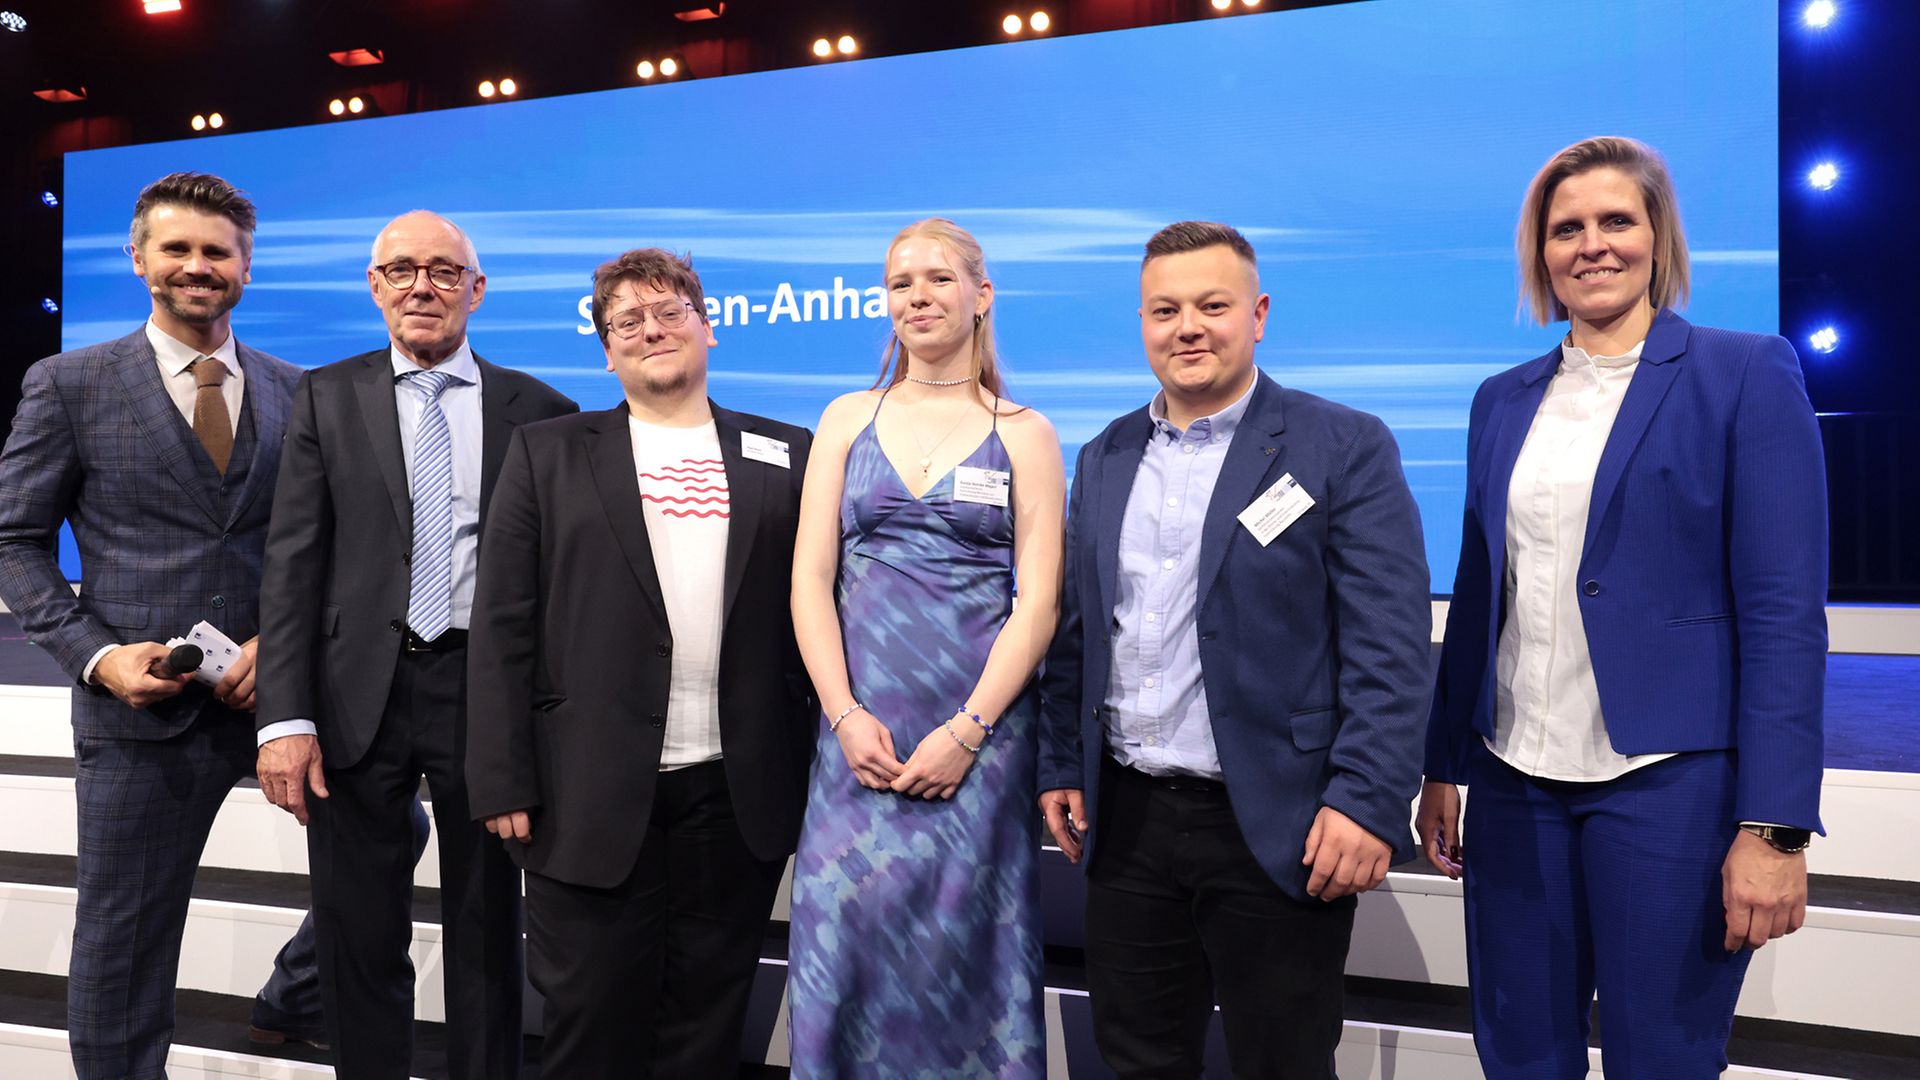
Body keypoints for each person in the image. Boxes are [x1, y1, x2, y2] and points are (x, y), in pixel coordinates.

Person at [1416, 136, 1828, 1079]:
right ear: (1540, 252)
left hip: (1669, 785)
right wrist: (1443, 764)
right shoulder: (1500, 400)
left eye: (1616, 221)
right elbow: (1484, 592)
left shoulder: (1744, 373)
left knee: (1664, 1063)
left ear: (1657, 236)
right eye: (1567, 228)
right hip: (1515, 778)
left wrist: (1775, 828)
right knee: (1520, 1055)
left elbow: (1783, 617)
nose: (1592, 245)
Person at [1038, 221, 1431, 1078]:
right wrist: (1061, 764)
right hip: (1127, 822)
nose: (1189, 327)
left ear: (1257, 314)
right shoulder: (1105, 454)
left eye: (1212, 306)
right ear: (1142, 323)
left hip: (1280, 820)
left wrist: (1366, 801)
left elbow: (1391, 646)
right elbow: (1079, 628)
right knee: (1138, 1062)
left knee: (1281, 1064)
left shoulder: (1342, 444)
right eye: (1165, 309)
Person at [465, 247, 816, 1076]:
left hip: (737, 792)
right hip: (581, 791)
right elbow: (503, 620)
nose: (651, 330)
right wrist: (502, 774)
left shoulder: (787, 452)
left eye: (670, 313)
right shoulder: (546, 452)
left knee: (706, 1022)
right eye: (628, 321)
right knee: (590, 1021)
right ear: (606, 347)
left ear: (708, 329)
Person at [253, 211, 576, 1079]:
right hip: (357, 695)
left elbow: (559, 585)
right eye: (400, 270)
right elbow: (293, 565)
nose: (420, 286)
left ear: (476, 289)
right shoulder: (325, 396)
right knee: (359, 933)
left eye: (441, 270)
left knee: (486, 931)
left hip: (490, 696)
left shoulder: (542, 412)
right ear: (374, 286)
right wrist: (282, 716)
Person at [0, 172, 305, 1078]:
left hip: (280, 697)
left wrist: (283, 644)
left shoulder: (300, 392)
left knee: (394, 831)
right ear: (139, 261)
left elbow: (326, 550)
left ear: (246, 267)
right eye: (177, 249)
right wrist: (96, 657)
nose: (197, 267)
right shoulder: (69, 383)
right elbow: (14, 541)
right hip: (140, 712)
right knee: (125, 940)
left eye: (217, 251)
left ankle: (297, 995)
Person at [785, 218, 1065, 1076]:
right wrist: (842, 715)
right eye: (902, 281)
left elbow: (1040, 602)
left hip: (979, 748)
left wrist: (969, 730)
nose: (918, 295)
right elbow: (808, 584)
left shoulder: (1025, 432)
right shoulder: (844, 419)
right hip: (854, 741)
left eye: (940, 278)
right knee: (843, 953)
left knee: (967, 958)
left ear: (982, 296)